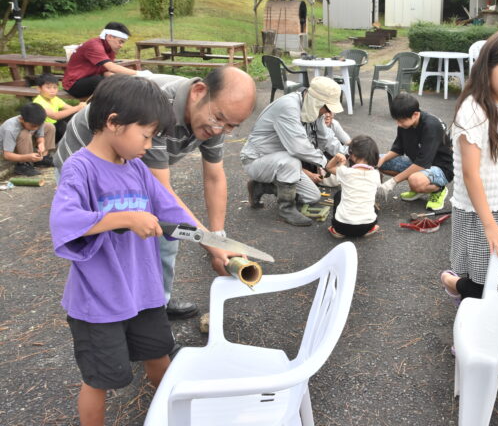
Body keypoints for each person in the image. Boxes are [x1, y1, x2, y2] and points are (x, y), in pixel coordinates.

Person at [54, 67, 257, 320]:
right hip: (89, 158)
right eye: (219, 119)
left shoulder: (216, 116)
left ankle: (154, 306)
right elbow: (162, 190)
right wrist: (209, 244)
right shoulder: (157, 111)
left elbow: (214, 177)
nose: (220, 130)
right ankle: (117, 315)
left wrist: (217, 240)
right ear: (199, 92)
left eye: (231, 126)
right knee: (109, 247)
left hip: (128, 159)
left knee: (160, 235)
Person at [50, 76, 196, 426]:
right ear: (113, 122)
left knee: (159, 356)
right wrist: (125, 218)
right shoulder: (80, 169)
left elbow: (171, 211)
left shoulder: (137, 170)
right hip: (99, 303)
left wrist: (209, 241)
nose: (149, 145)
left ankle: (169, 416)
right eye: (146, 135)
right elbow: (65, 220)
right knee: (101, 379)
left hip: (143, 294)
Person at [439, 31, 498, 302]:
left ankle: (462, 295)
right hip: (477, 212)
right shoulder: (473, 110)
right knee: (491, 287)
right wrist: (489, 224)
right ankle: (453, 283)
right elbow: (470, 173)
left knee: (491, 279)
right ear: (487, 66)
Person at [241, 76, 348, 226]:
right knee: (291, 161)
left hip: (282, 162)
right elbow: (298, 147)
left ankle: (261, 186)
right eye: (327, 107)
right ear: (317, 102)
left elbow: (327, 139)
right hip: (257, 160)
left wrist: (347, 153)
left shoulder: (314, 110)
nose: (328, 112)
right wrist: (326, 163)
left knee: (312, 197)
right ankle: (286, 210)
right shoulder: (288, 107)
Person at [377, 93, 453, 211]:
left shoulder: (431, 126)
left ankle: (438, 190)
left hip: (441, 168)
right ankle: (418, 188)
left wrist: (393, 181)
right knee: (377, 160)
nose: (398, 124)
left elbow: (422, 164)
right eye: (397, 120)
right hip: (417, 163)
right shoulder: (405, 124)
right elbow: (398, 149)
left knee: (415, 180)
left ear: (416, 114)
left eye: (401, 120)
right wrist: (383, 159)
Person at [62, 22, 150, 99]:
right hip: (73, 85)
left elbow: (106, 72)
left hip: (89, 79)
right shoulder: (94, 45)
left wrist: (126, 79)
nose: (121, 46)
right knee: (101, 82)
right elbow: (111, 67)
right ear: (110, 37)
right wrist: (138, 73)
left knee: (116, 82)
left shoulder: (110, 49)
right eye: (120, 41)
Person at [326, 135, 381, 239]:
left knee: (339, 195)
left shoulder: (345, 172)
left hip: (341, 226)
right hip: (367, 226)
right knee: (370, 202)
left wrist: (338, 159)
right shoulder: (376, 174)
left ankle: (336, 231)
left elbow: (329, 168)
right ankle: (371, 228)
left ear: (353, 155)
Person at [0, 102, 55, 176]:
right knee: (25, 133)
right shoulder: (10, 128)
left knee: (49, 126)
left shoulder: (37, 121)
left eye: (38, 126)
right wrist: (26, 157)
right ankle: (24, 165)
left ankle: (42, 157)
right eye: (33, 126)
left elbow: (40, 136)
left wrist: (41, 143)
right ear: (22, 119)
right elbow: (7, 155)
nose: (36, 128)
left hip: (25, 142)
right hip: (9, 150)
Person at [27, 73, 86, 142]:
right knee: (62, 126)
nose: (52, 90)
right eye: (48, 87)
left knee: (74, 115)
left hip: (55, 124)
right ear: (39, 88)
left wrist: (82, 108)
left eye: (55, 87)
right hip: (45, 131)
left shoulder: (54, 98)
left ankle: (79, 135)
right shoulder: (38, 102)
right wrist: (77, 108)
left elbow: (69, 108)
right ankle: (70, 140)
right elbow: (55, 116)